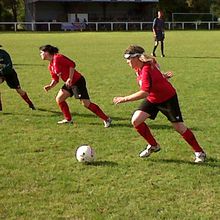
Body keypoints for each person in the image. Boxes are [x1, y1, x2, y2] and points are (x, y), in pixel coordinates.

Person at [113, 45, 206, 163]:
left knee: (179, 127)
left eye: (128, 59)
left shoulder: (146, 69)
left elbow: (144, 92)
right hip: (153, 98)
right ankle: (153, 145)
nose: (127, 62)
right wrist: (163, 76)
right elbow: (156, 67)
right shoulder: (140, 67)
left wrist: (124, 99)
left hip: (167, 98)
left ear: (137, 58)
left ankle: (200, 153)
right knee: (136, 120)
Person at [39, 44, 112, 127]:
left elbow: (72, 64)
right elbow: (55, 79)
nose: (40, 55)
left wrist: (70, 78)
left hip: (77, 81)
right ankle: (68, 119)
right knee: (59, 99)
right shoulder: (51, 66)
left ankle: (106, 119)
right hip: (69, 83)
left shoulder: (58, 57)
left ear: (47, 52)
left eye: (41, 52)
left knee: (86, 103)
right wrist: (50, 86)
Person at [0, 46, 35, 111]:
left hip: (10, 73)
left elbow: (9, 65)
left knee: (19, 90)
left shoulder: (3, 53)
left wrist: (2, 70)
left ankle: (30, 103)